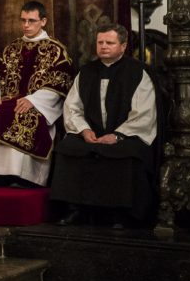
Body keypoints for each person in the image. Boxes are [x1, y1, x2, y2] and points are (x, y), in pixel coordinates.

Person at [50, 24, 158, 227]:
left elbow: (143, 113)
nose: (104, 47)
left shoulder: (138, 73)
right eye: (100, 42)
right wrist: (84, 130)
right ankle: (76, 210)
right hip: (91, 134)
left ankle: (122, 214)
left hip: (126, 135)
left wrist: (118, 135)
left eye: (110, 42)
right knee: (68, 148)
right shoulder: (86, 72)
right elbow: (72, 108)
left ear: (123, 46)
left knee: (128, 152)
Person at [0, 1, 74, 187]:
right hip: (7, 100)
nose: (26, 25)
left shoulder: (56, 50)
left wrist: (33, 100)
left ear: (43, 21)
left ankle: (24, 177)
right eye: (23, 20)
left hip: (35, 104)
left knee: (23, 115)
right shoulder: (11, 49)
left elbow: (60, 81)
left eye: (31, 21)